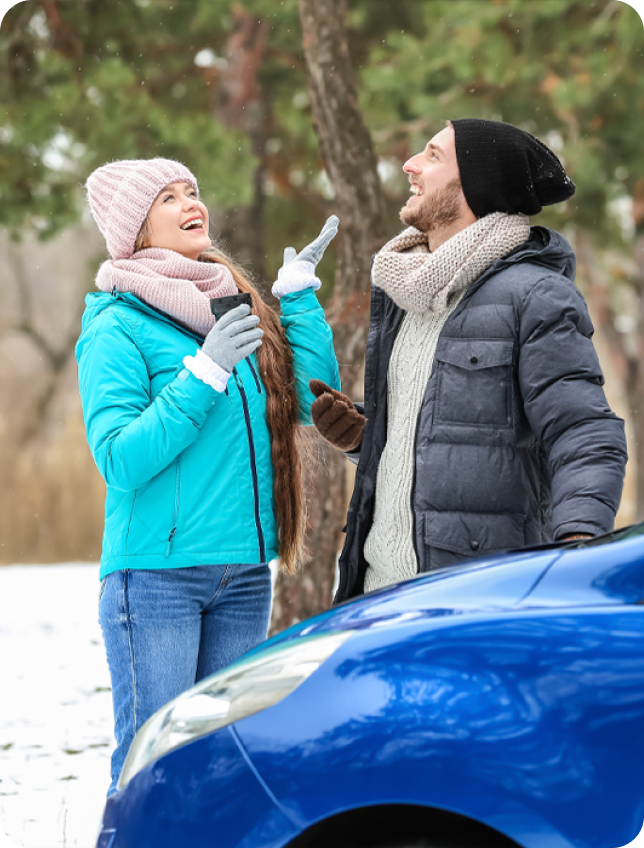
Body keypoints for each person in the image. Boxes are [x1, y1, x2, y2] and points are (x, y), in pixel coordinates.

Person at [76, 157, 340, 795]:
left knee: (223, 768)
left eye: (191, 190)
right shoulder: (117, 324)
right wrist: (202, 375)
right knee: (153, 770)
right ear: (135, 227)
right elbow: (119, 457)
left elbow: (308, 402)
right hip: (157, 579)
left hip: (244, 574)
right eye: (167, 197)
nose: (190, 202)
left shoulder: (227, 298)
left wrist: (298, 298)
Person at [309, 118, 628, 603]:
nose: (410, 165)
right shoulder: (404, 294)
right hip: (374, 593)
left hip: (474, 598)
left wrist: (576, 547)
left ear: (477, 184)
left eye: (433, 156)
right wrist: (365, 438)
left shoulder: (535, 295)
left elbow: (585, 433)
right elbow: (451, 433)